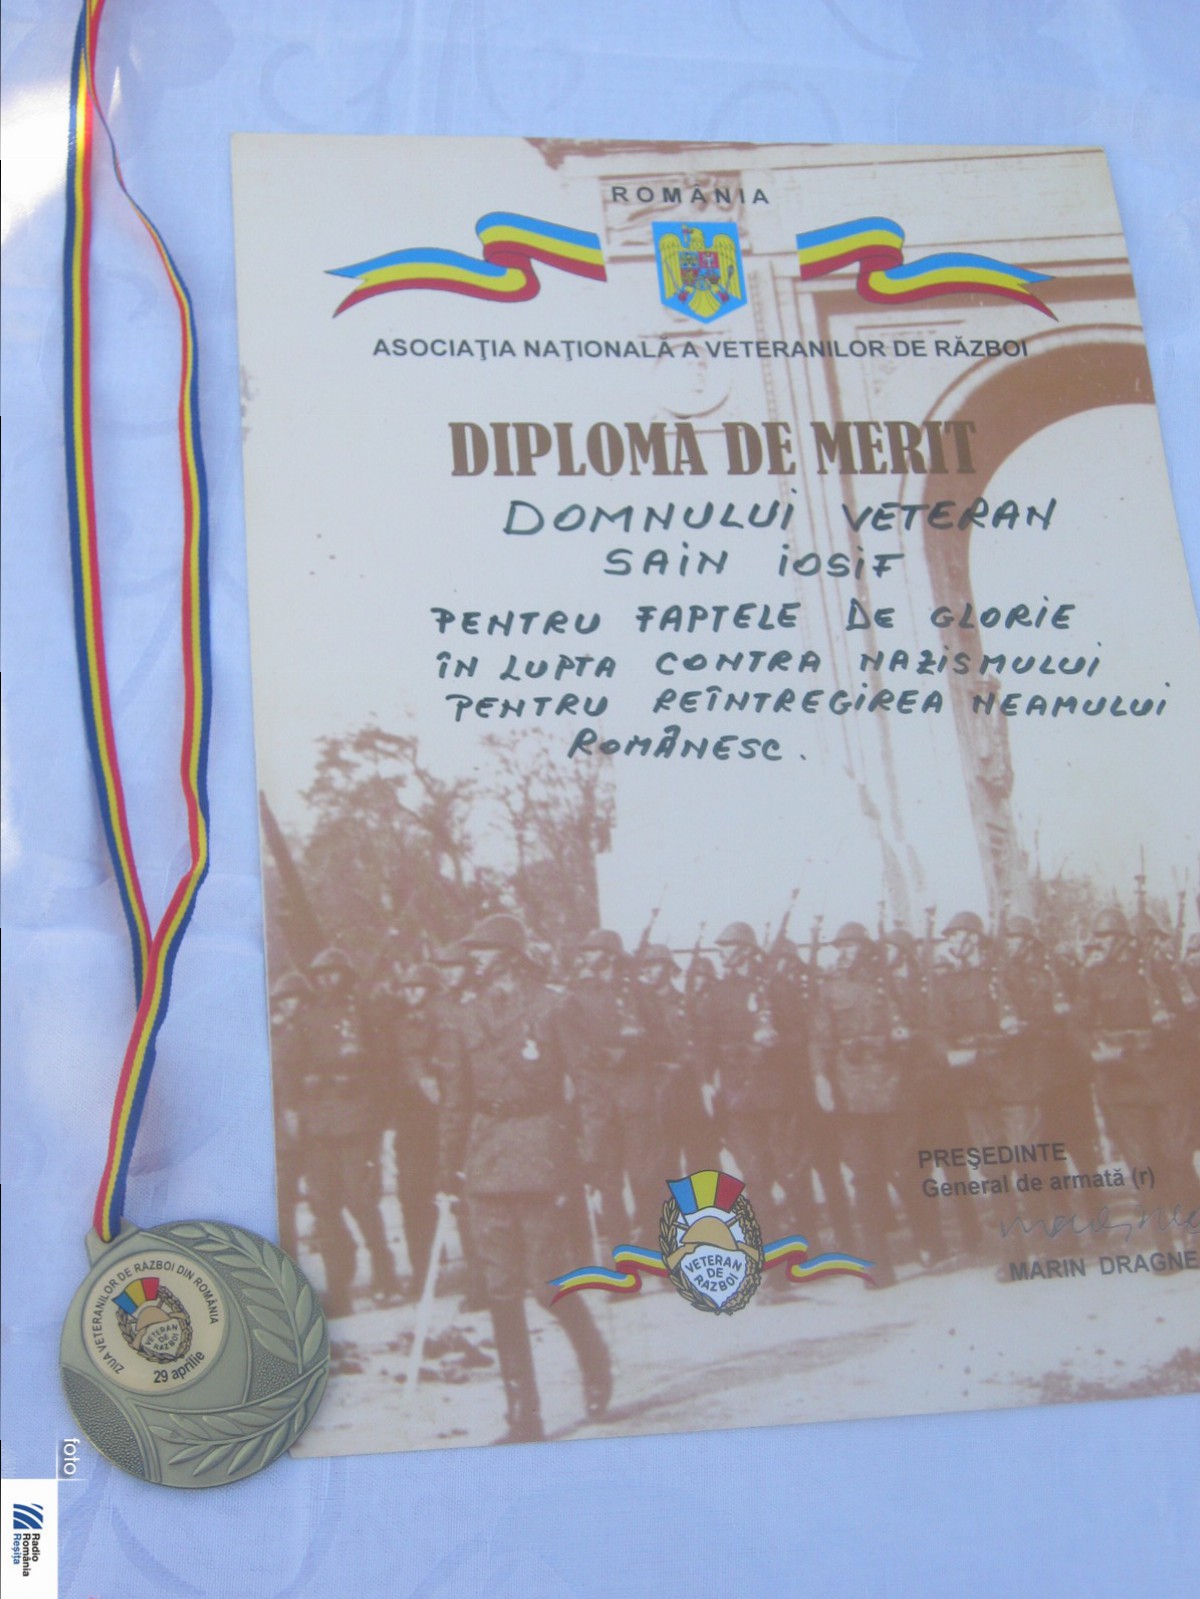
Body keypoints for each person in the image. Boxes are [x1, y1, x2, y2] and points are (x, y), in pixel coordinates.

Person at [438, 913, 612, 1444]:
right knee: (500, 1289)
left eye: (484, 950)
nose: (475, 959)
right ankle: (523, 1416)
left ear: (511, 957)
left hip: (541, 1154)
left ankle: (594, 1359)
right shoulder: (465, 1017)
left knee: (547, 1283)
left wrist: (591, 1157)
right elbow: (455, 1099)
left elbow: (590, 1086)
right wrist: (446, 1167)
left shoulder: (554, 1007)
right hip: (487, 1158)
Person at [297, 947, 403, 1315]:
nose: (327, 980)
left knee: (361, 1202)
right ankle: (338, 1285)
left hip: (357, 1121)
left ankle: (385, 1272)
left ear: (347, 977)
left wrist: (358, 1079)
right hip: (319, 1125)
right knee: (323, 1205)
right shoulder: (306, 1017)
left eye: (334, 973)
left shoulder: (365, 1013)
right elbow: (290, 1064)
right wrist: (307, 1082)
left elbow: (384, 1064)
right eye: (321, 974)